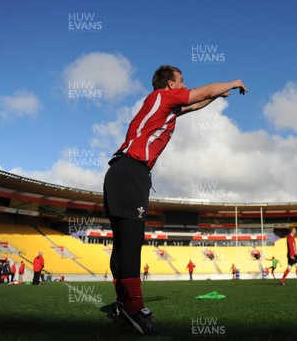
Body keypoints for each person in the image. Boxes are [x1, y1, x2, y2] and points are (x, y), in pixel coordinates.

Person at [103, 65, 247, 335]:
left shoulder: (164, 107)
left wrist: (218, 95)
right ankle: (134, 308)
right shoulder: (163, 97)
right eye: (181, 81)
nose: (184, 85)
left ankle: (123, 303)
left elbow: (195, 104)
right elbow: (198, 93)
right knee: (131, 243)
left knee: (122, 244)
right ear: (169, 84)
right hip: (132, 171)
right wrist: (234, 81)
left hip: (120, 173)